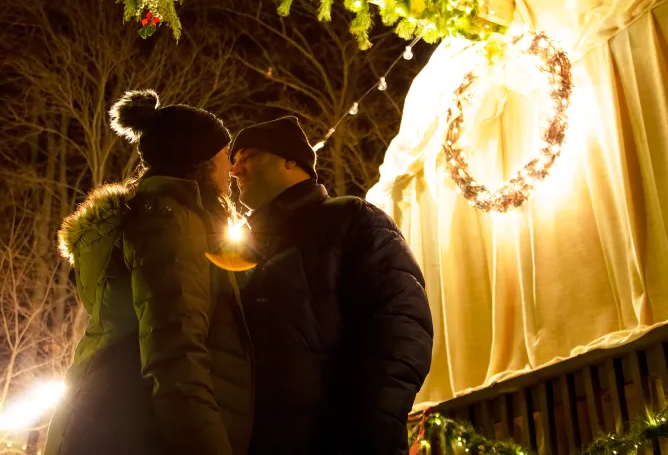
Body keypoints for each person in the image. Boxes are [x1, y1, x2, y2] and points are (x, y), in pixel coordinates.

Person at [43, 89, 252, 455]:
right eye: (223, 155)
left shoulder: (154, 216)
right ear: (198, 162)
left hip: (108, 423)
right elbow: (175, 350)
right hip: (135, 431)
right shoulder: (170, 221)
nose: (231, 169)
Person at [229, 116, 433, 455]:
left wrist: (370, 434)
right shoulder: (241, 255)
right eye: (232, 162)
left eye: (247, 156)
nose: (235, 171)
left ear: (290, 159)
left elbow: (402, 327)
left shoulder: (352, 220)